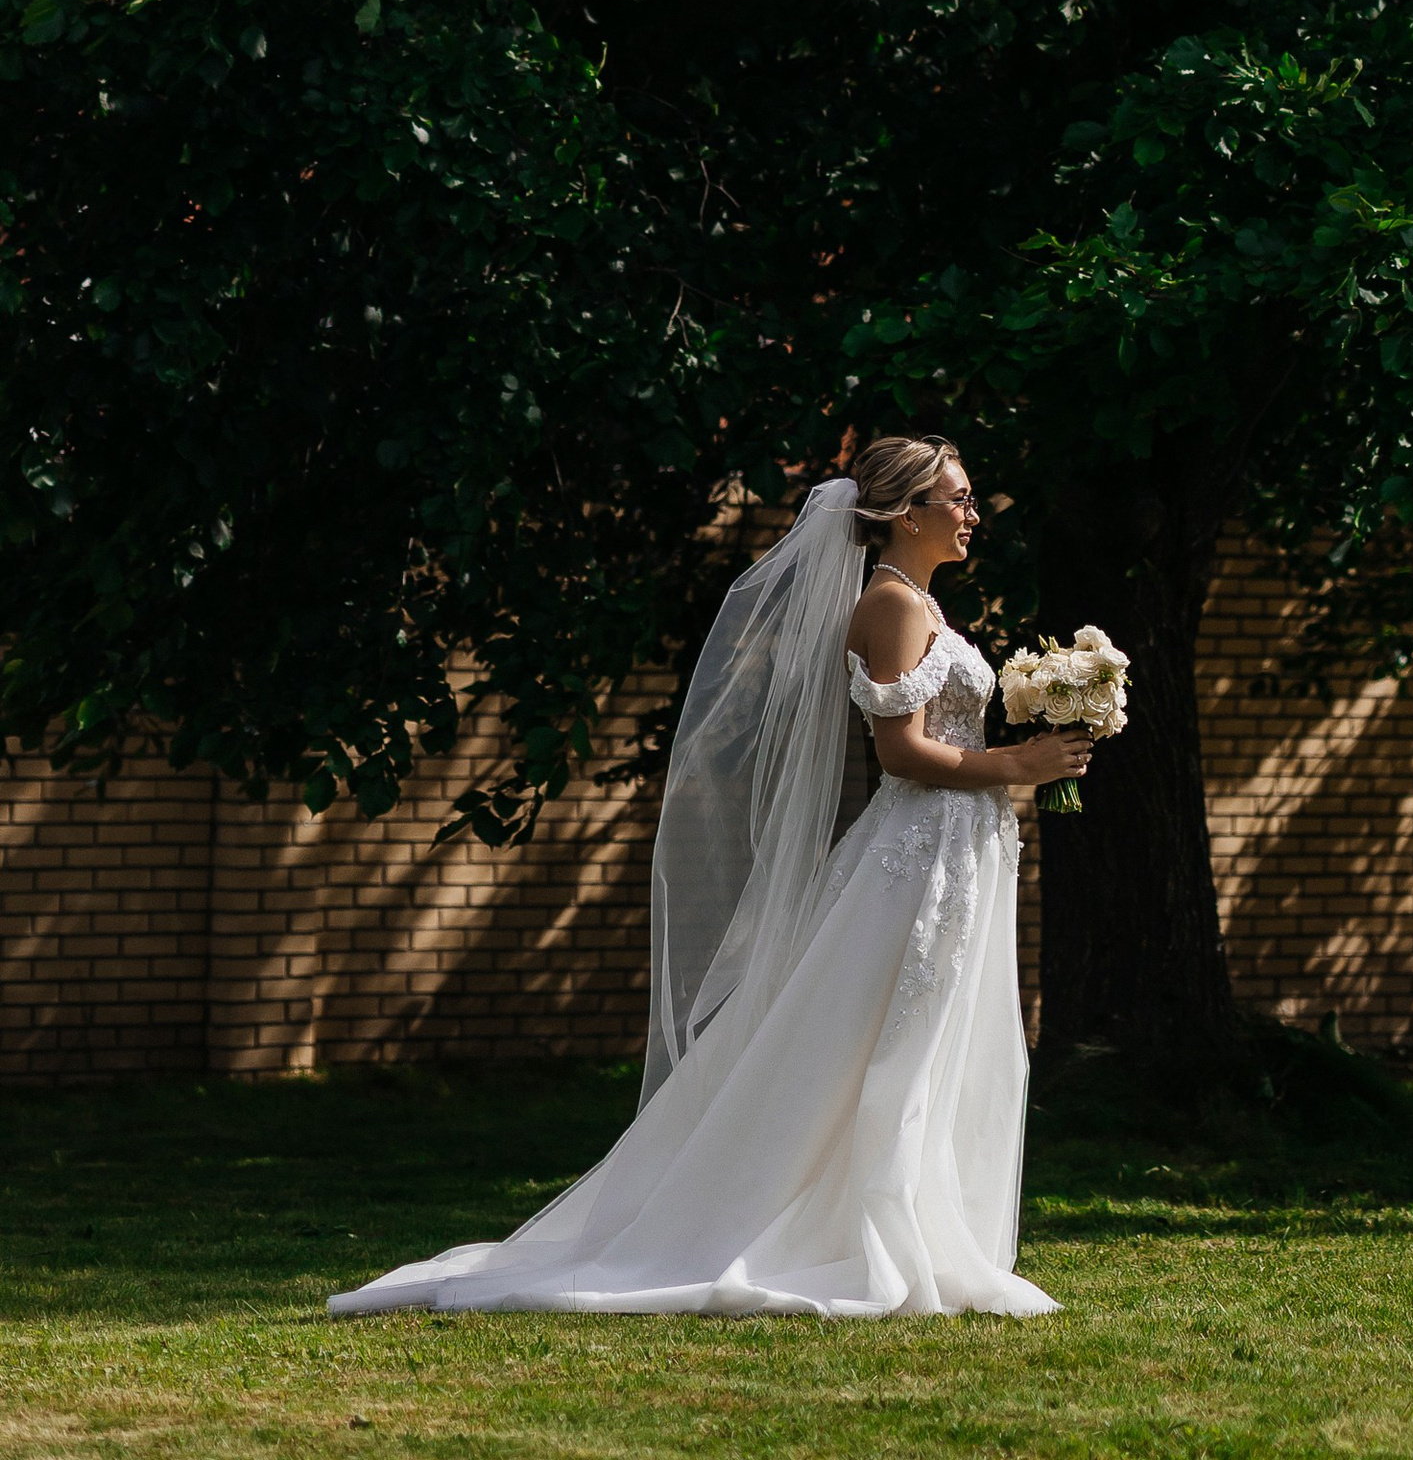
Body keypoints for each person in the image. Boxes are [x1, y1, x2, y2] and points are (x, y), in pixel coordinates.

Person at [328, 436, 1094, 1320]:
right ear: (903, 512)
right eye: (956, 499)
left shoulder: (917, 601)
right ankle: (861, 1227)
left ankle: (916, 1217)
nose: (971, 514)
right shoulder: (891, 604)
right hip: (915, 858)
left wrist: (1031, 756)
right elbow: (902, 752)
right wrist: (1015, 763)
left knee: (926, 1034)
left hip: (955, 849)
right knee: (889, 1039)